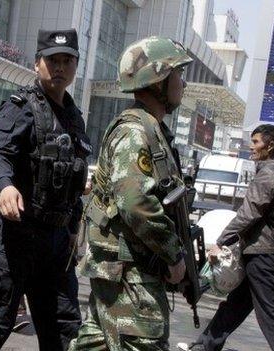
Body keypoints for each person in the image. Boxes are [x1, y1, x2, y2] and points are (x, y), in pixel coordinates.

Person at [0, 29, 91, 351]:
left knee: (64, 329)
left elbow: (74, 181)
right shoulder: (20, 106)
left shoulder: (75, 118)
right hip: (17, 236)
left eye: (67, 60)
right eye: (52, 60)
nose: (59, 67)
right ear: (38, 64)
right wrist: (5, 186)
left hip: (57, 243)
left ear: (76, 66)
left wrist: (74, 229)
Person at [68, 36, 190, 351]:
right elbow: (135, 203)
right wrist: (173, 253)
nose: (183, 83)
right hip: (130, 274)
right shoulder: (136, 133)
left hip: (126, 271)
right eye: (178, 74)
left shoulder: (152, 131)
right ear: (159, 79)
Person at [186, 124, 274, 351]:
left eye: (256, 142)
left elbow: (249, 213)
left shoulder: (269, 174)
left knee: (271, 312)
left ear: (270, 145)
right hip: (259, 252)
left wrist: (222, 240)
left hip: (263, 254)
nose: (251, 146)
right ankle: (205, 345)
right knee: (235, 306)